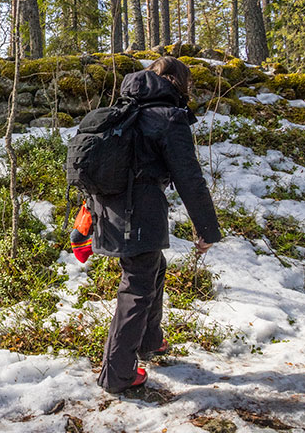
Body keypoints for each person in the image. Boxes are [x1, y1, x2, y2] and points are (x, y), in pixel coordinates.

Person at [93, 56, 221, 393]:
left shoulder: (125, 110)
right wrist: (206, 229)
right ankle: (117, 375)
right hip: (139, 213)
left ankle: (150, 341)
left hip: (111, 210)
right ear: (179, 83)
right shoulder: (168, 118)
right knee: (136, 287)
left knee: (153, 269)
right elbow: (190, 178)